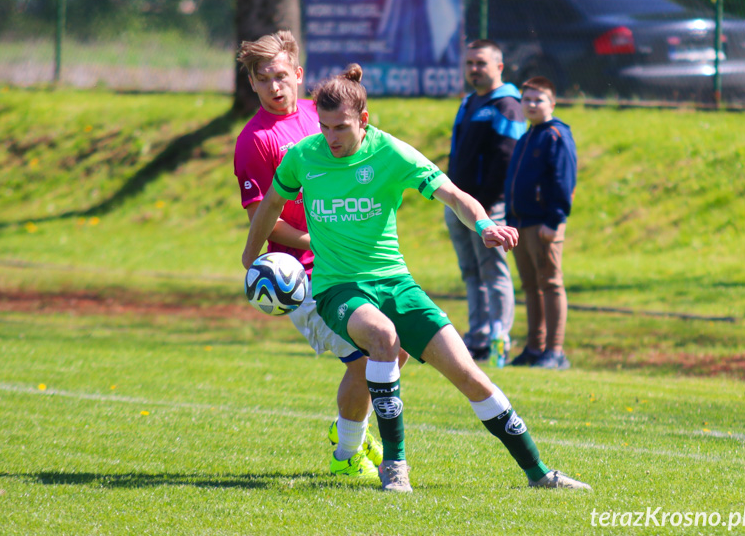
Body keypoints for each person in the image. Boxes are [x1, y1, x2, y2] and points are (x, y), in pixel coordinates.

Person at [242, 63, 591, 493]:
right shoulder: (303, 156)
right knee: (383, 338)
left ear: (364, 120)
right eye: (325, 127)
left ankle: (540, 473)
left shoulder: (390, 153)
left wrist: (483, 225)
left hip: (396, 284)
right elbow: (271, 204)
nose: (331, 138)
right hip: (338, 289)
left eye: (341, 128)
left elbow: (454, 195)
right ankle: (395, 466)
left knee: (471, 376)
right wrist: (249, 255)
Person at [233, 30, 409, 479]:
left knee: (396, 350)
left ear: (298, 73)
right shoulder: (255, 141)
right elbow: (265, 219)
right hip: (306, 274)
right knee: (371, 355)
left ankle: (348, 432)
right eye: (263, 78)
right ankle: (347, 455)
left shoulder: (321, 115)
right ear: (252, 84)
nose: (275, 86)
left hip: (354, 264)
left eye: (280, 75)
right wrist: (316, 240)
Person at [445, 39, 526, 362]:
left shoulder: (507, 105)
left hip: (488, 208)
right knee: (470, 271)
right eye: (469, 64)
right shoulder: (469, 103)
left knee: (493, 272)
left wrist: (489, 208)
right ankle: (477, 338)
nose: (474, 69)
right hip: (458, 205)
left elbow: (506, 159)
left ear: (499, 67)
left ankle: (498, 338)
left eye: (481, 63)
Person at [505, 77, 578, 369]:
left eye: (539, 99)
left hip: (544, 224)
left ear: (552, 103)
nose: (532, 104)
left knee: (550, 283)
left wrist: (555, 218)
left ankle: (555, 351)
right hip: (521, 224)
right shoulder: (527, 136)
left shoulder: (556, 135)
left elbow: (564, 180)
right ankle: (534, 348)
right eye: (527, 99)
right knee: (530, 286)